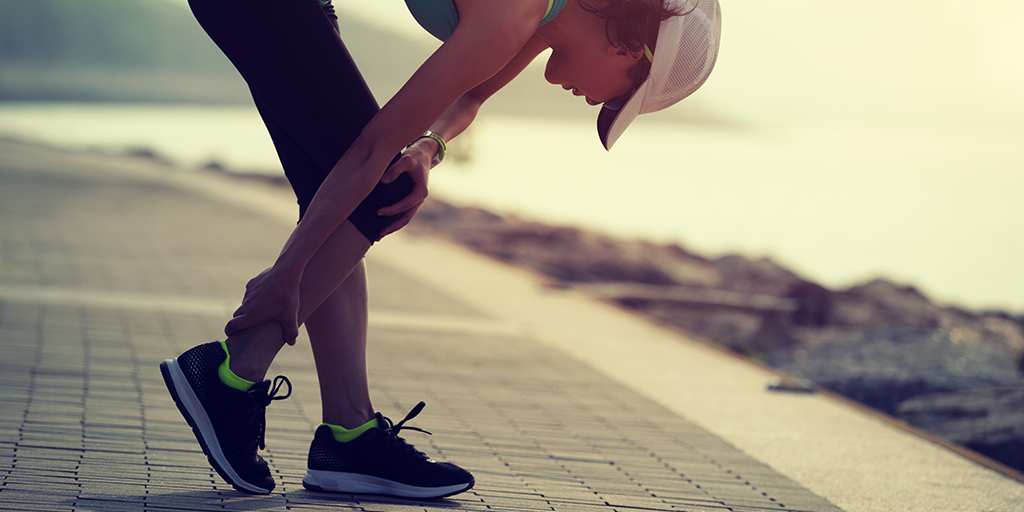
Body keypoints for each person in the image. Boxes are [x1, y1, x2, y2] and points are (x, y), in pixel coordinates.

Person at [159, 0, 721, 500]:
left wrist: (430, 146)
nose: (596, 103)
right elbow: (374, 147)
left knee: (354, 193)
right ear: (628, 45)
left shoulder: (544, 17)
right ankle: (235, 374)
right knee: (379, 186)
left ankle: (345, 434)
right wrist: (287, 272)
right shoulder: (518, 11)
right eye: (621, 97)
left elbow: (471, 93)